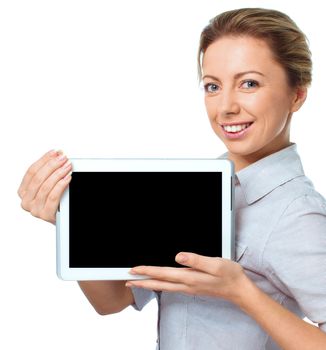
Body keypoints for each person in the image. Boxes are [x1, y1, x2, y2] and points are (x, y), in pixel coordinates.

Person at [18, 7, 326, 350]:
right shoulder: (192, 192)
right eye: (212, 86)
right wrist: (72, 217)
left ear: (297, 94)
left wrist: (241, 292)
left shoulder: (299, 214)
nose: (225, 107)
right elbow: (112, 302)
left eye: (249, 83)